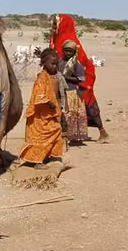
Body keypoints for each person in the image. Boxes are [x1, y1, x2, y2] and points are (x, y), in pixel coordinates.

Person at [51, 14, 110, 143]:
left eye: (55, 24)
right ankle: (66, 135)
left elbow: (80, 63)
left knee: (88, 106)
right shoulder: (57, 39)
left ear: (63, 25)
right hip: (63, 83)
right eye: (53, 25)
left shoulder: (69, 41)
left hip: (77, 82)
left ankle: (102, 132)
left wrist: (74, 78)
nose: (53, 28)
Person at [19, 48, 66, 165]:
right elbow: (39, 94)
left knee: (55, 130)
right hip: (39, 116)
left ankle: (46, 155)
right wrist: (49, 102)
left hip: (48, 114)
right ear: (44, 63)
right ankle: (37, 162)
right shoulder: (41, 77)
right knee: (41, 138)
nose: (55, 67)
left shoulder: (54, 76)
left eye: (56, 64)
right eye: (52, 64)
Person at [58, 40, 88, 143]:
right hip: (60, 92)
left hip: (71, 93)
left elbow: (81, 79)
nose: (68, 53)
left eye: (70, 51)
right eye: (66, 51)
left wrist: (66, 77)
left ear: (74, 52)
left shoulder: (76, 65)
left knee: (71, 115)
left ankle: (71, 137)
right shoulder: (59, 62)